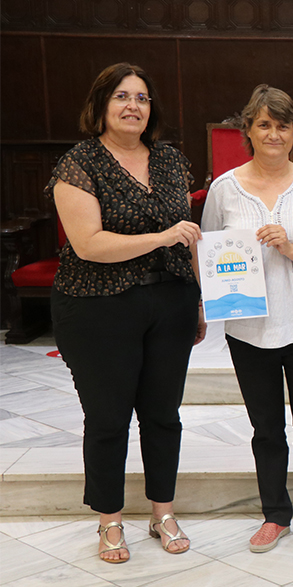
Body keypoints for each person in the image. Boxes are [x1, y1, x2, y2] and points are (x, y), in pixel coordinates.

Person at [48, 63, 205, 563]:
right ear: (100, 105)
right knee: (109, 417)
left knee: (163, 415)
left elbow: (192, 239)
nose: (133, 106)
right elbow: (89, 244)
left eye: (141, 97)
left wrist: (200, 298)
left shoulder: (170, 161)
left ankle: (162, 512)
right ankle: (110, 521)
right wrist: (160, 237)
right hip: (98, 306)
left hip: (171, 302)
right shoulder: (79, 163)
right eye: (121, 96)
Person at [200, 85, 293, 554]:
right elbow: (208, 257)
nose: (274, 133)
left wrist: (292, 248)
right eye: (264, 124)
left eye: (282, 124)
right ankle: (275, 515)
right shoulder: (224, 189)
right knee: (266, 428)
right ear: (248, 130)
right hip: (248, 328)